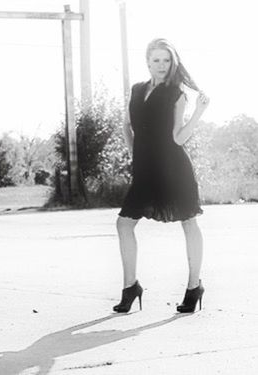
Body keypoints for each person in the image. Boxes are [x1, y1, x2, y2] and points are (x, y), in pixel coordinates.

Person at [113, 38, 210, 314]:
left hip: (173, 169)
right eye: (156, 60)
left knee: (189, 222)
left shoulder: (176, 94)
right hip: (145, 170)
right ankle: (130, 286)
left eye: (166, 61)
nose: (161, 66)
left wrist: (199, 113)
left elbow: (178, 138)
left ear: (172, 63)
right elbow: (126, 125)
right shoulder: (137, 90)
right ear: (147, 61)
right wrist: (136, 155)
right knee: (124, 224)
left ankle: (194, 286)